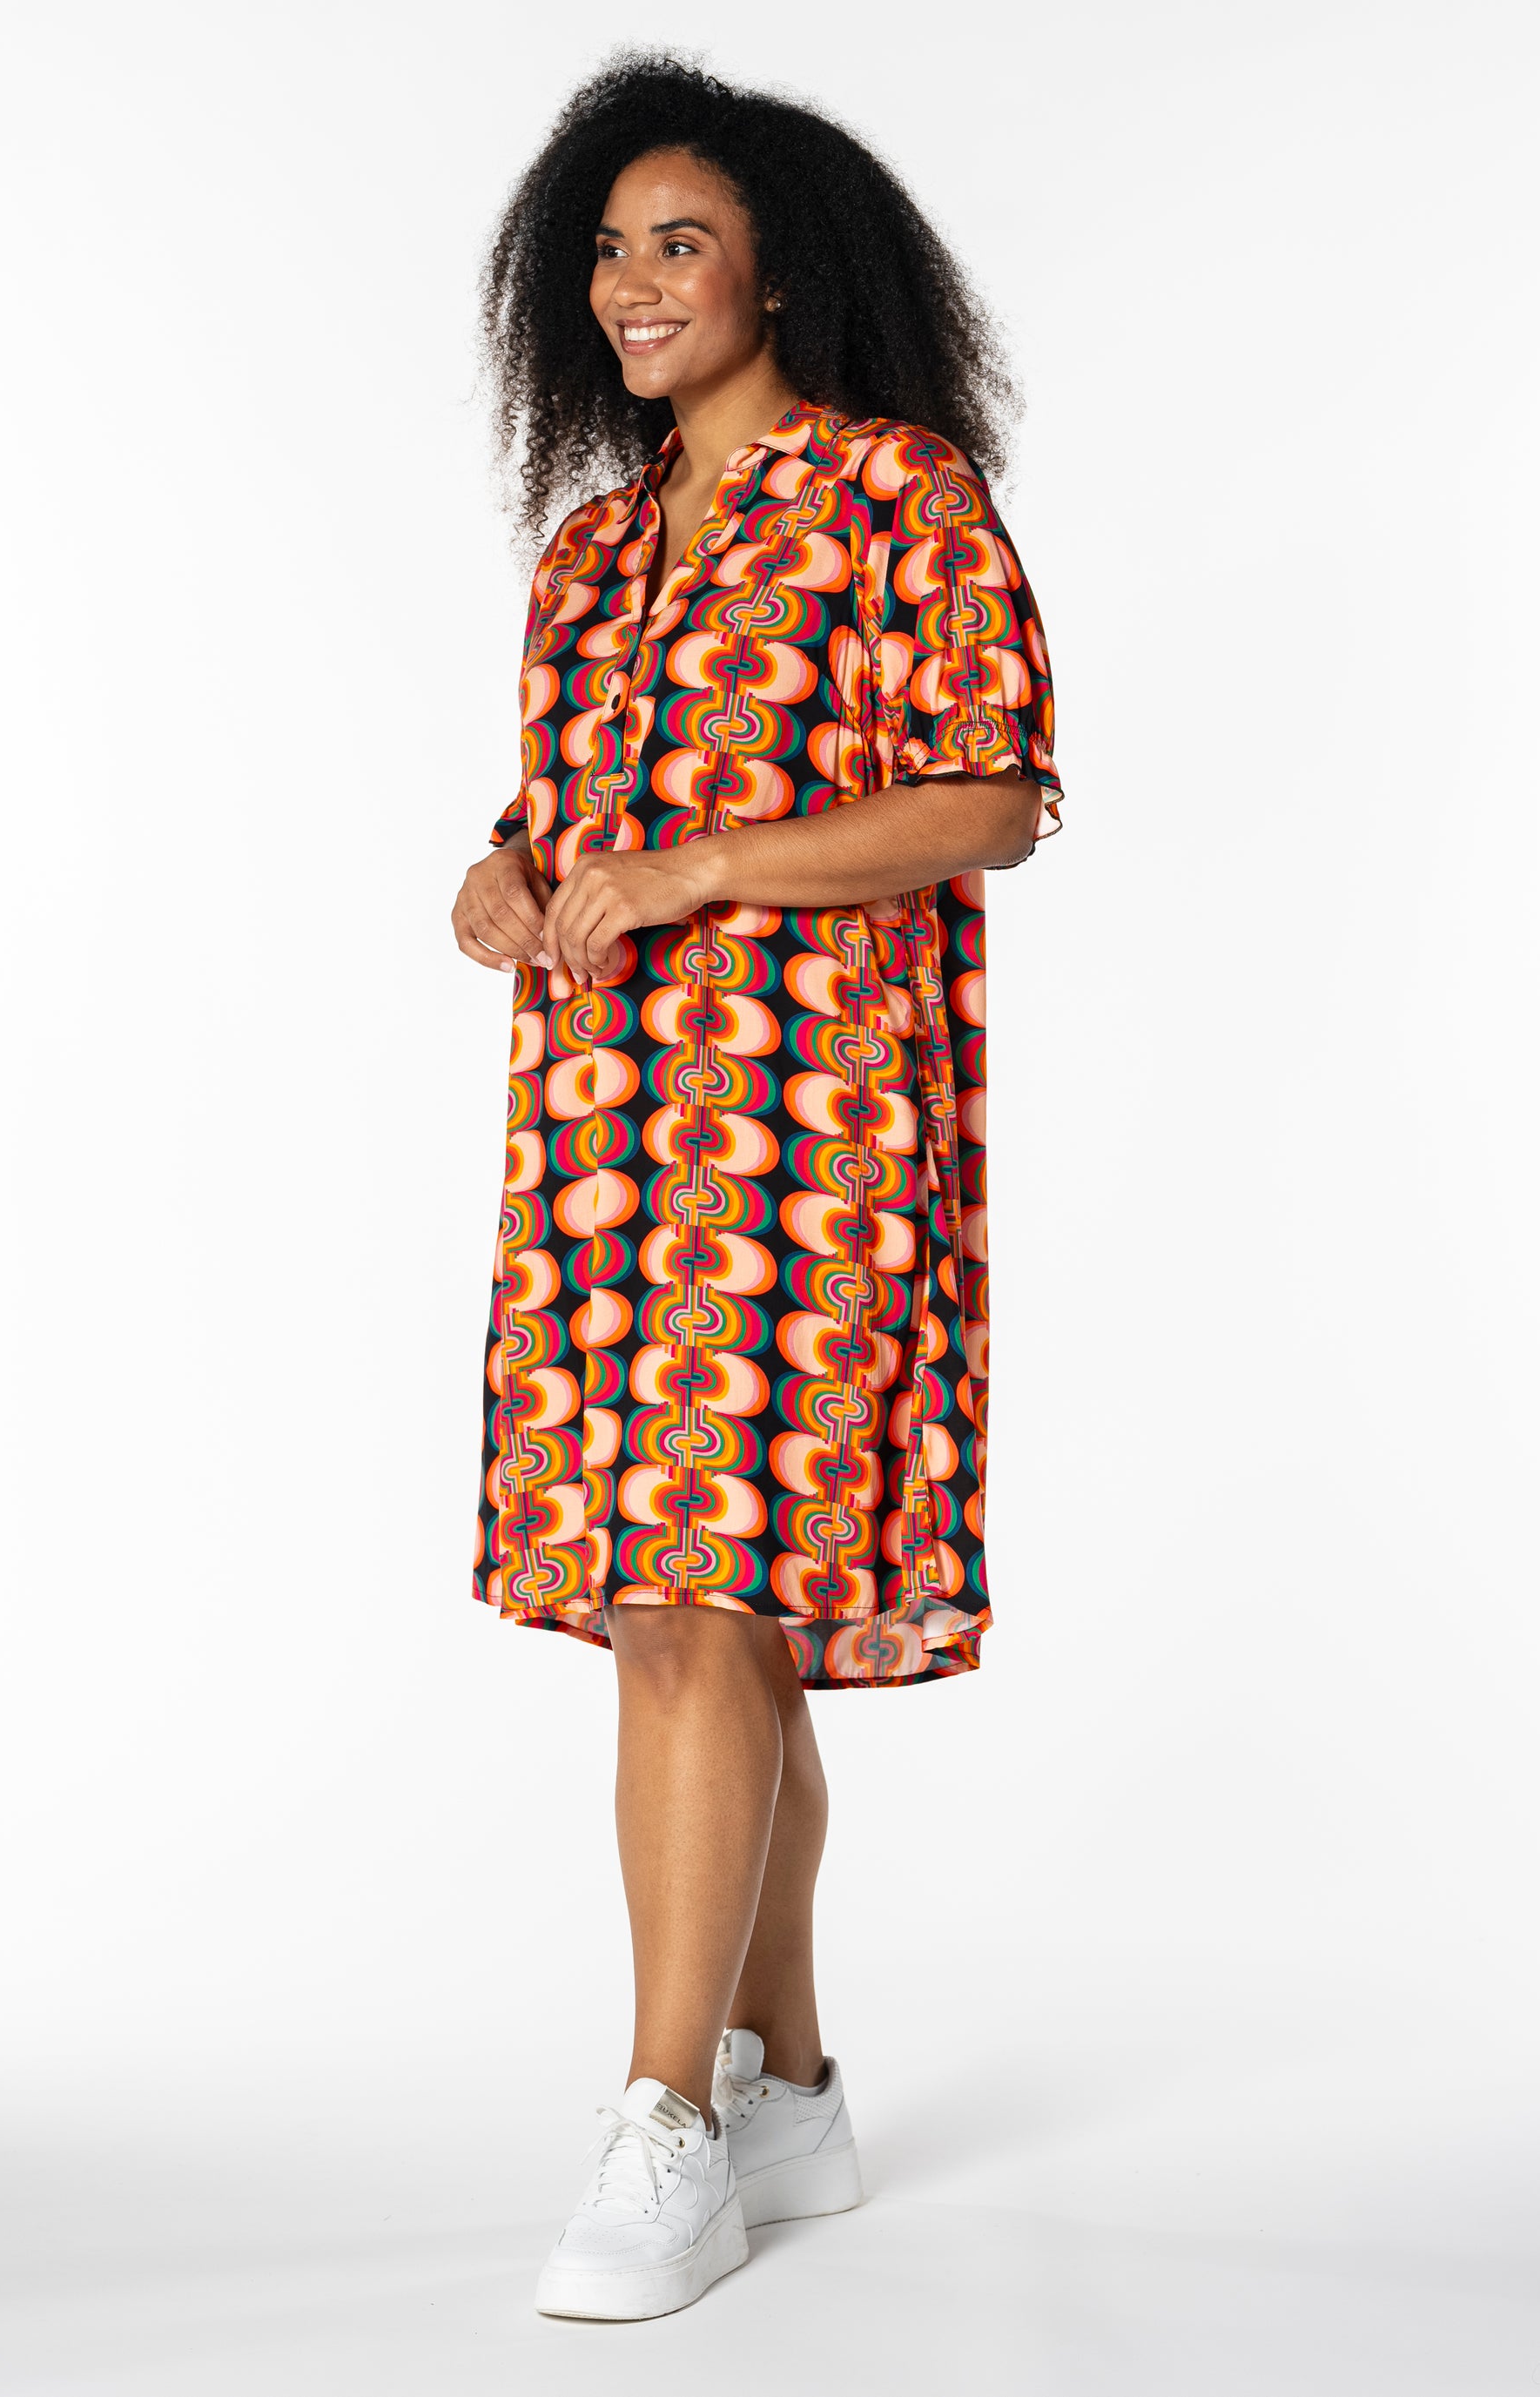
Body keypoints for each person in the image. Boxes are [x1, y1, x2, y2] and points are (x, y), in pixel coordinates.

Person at [453, 55, 1063, 2321]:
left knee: (695, 1603)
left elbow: (989, 799)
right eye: (608, 249)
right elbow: (565, 812)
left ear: (779, 270)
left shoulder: (899, 491)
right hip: (599, 1138)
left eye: (678, 242)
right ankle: (785, 2083)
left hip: (807, 1139)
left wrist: (709, 866)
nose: (631, 283)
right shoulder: (593, 548)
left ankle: (668, 2124)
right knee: (691, 1610)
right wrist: (502, 877)